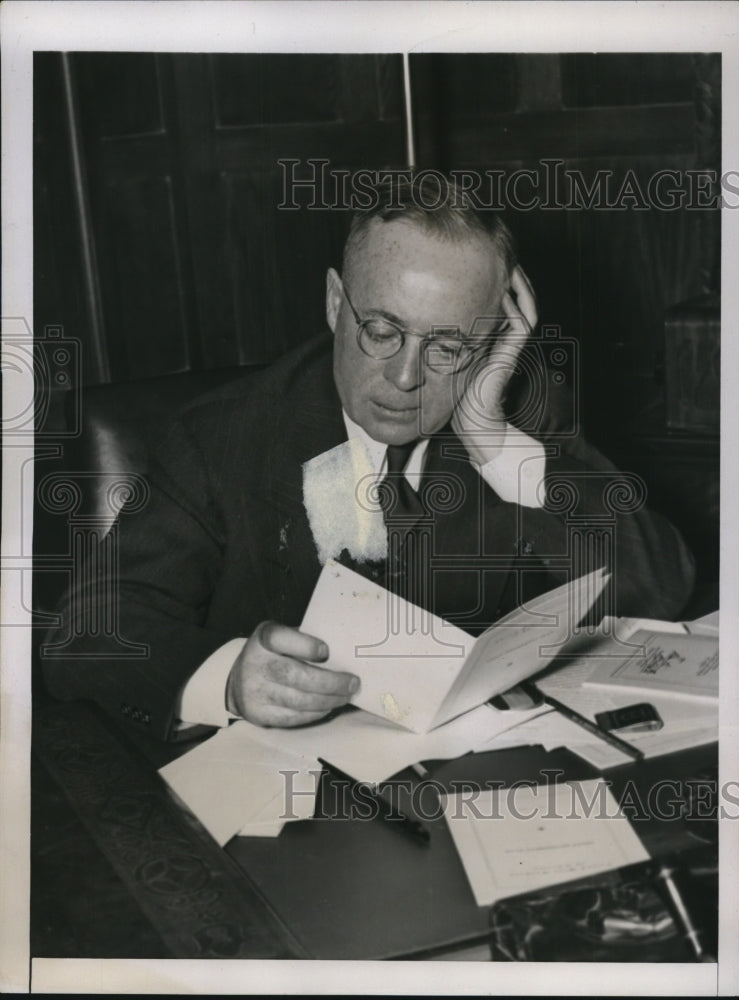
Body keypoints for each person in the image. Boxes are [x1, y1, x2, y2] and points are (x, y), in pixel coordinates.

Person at [42, 177, 695, 740]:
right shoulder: (222, 437)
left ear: (493, 340)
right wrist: (230, 676)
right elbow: (88, 632)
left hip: (465, 777)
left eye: (446, 346)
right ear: (334, 304)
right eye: (380, 331)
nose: (404, 375)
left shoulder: (514, 416)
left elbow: (656, 592)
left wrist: (490, 439)